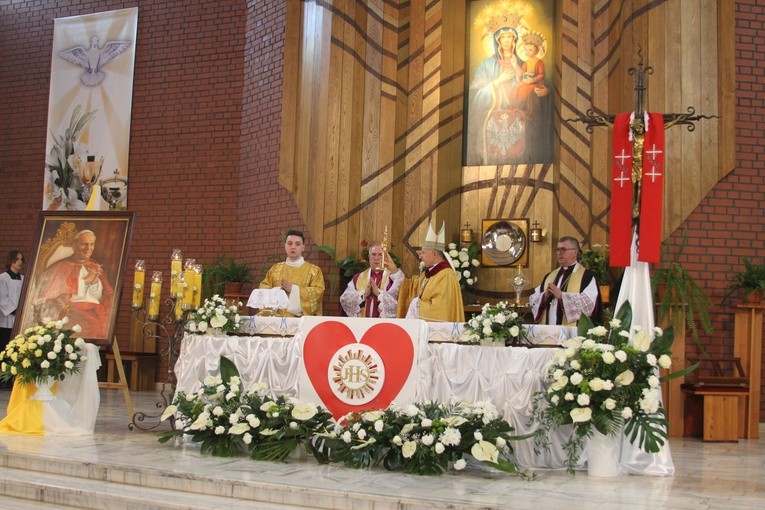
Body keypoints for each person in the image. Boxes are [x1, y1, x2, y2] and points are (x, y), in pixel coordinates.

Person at [31, 230, 114, 339]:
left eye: (92, 244)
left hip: (93, 310)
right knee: (92, 324)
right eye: (84, 244)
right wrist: (85, 281)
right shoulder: (60, 267)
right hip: (71, 311)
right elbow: (52, 297)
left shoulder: (94, 265)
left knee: (104, 321)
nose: (88, 248)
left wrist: (94, 283)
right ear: (75, 245)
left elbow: (103, 296)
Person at [396, 221, 464, 323]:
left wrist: (417, 304)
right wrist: (394, 269)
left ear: (434, 254)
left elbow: (441, 310)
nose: (420, 256)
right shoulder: (428, 275)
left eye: (423, 253)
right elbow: (412, 287)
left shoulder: (446, 276)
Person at [529, 236, 602, 326]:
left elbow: (589, 304)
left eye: (563, 250)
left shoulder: (587, 277)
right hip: (549, 329)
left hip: (572, 333)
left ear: (575, 252)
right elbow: (533, 300)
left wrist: (562, 296)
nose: (559, 253)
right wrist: (545, 296)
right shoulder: (550, 276)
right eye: (557, 250)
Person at [259, 230, 325, 316]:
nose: (293, 247)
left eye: (297, 244)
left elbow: (318, 294)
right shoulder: (275, 269)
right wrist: (277, 291)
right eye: (290, 243)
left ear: (303, 247)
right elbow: (263, 288)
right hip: (276, 321)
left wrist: (293, 290)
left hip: (300, 324)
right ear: (285, 246)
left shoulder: (313, 271)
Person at [340, 241, 404, 318]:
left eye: (380, 255)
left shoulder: (392, 278)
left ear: (385, 257)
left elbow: (399, 305)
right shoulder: (358, 278)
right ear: (369, 257)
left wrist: (379, 293)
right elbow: (344, 299)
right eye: (373, 254)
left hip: (384, 326)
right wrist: (364, 294)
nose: (376, 258)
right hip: (362, 325)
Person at [0, 250, 23, 389]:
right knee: (5, 348)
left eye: (21, 259)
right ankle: (4, 379)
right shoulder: (3, 278)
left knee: (17, 350)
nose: (20, 262)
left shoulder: (24, 279)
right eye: (17, 259)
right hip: (7, 320)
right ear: (11, 261)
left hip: (19, 320)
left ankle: (15, 378)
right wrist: (15, 311)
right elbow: (2, 298)